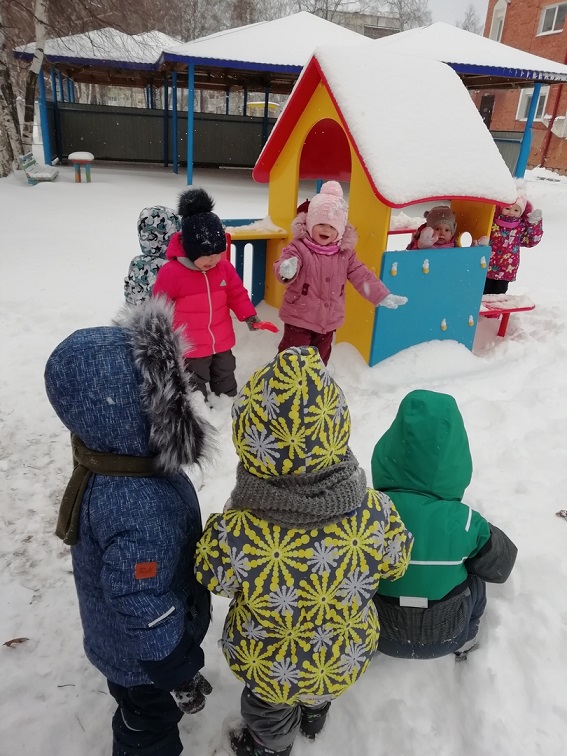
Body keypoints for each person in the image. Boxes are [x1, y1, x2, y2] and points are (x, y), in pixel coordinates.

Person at [194, 346, 414, 756]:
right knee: (319, 683)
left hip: (267, 664)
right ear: (336, 429)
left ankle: (272, 744)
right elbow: (397, 562)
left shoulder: (239, 530)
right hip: (344, 654)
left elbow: (212, 574)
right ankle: (315, 712)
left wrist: (222, 523)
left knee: (268, 710)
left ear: (251, 440)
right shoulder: (375, 512)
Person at [44, 297, 217, 756]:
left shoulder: (114, 461)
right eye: (167, 394)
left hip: (126, 642)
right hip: (143, 657)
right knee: (147, 722)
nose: (182, 400)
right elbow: (139, 598)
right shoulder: (137, 504)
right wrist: (175, 665)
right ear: (132, 411)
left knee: (138, 699)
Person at [370, 389, 518, 661]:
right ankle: (468, 640)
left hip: (379, 633)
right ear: (455, 458)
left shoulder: (372, 511)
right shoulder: (463, 521)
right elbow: (500, 568)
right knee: (476, 576)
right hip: (448, 634)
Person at [153, 188, 272, 398]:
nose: (213, 260)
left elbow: (237, 293)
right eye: (206, 254)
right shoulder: (172, 273)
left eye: (217, 253)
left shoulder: (223, 268)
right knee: (194, 379)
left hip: (221, 339)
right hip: (191, 345)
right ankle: (198, 406)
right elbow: (158, 306)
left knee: (225, 372)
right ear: (190, 249)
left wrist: (249, 316)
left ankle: (228, 401)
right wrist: (161, 336)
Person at [273, 181, 407, 365]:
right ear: (310, 223)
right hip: (299, 318)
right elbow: (284, 266)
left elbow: (362, 276)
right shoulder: (299, 248)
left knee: (319, 362)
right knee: (292, 360)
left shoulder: (345, 254)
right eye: (321, 224)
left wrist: (380, 295)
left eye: (332, 226)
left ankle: (315, 382)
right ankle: (283, 380)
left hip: (328, 322)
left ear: (340, 230)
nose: (326, 230)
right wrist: (286, 269)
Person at [478, 189, 543, 295]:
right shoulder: (493, 223)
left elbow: (531, 241)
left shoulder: (521, 227)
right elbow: (481, 234)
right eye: (507, 208)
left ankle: (496, 306)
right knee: (482, 293)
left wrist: (534, 224)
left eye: (516, 210)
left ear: (521, 212)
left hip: (506, 269)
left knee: (498, 295)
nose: (511, 212)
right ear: (501, 208)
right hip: (487, 267)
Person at [124, 205, 180, 305]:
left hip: (137, 314)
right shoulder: (173, 267)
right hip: (166, 315)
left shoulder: (136, 263)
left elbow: (130, 296)